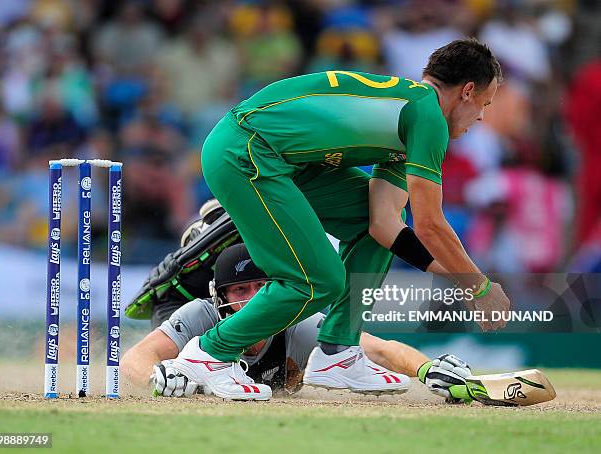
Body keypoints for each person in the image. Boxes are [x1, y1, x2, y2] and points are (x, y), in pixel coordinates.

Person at [160, 38, 510, 401]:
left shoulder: (410, 112)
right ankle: (209, 354)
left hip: (275, 157)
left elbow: (384, 225)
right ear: (467, 91)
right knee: (319, 279)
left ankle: (337, 352)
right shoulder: (429, 116)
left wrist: (460, 280)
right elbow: (431, 224)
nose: (481, 116)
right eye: (485, 103)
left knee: (365, 220)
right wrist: (478, 287)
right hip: (246, 150)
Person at [122, 243, 472, 401]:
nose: (252, 297)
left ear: (278, 290)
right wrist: (159, 378)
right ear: (221, 296)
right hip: (182, 320)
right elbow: (133, 360)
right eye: (240, 288)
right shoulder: (201, 314)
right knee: (172, 355)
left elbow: (379, 351)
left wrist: (427, 369)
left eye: (262, 287)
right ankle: (201, 232)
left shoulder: (298, 323)